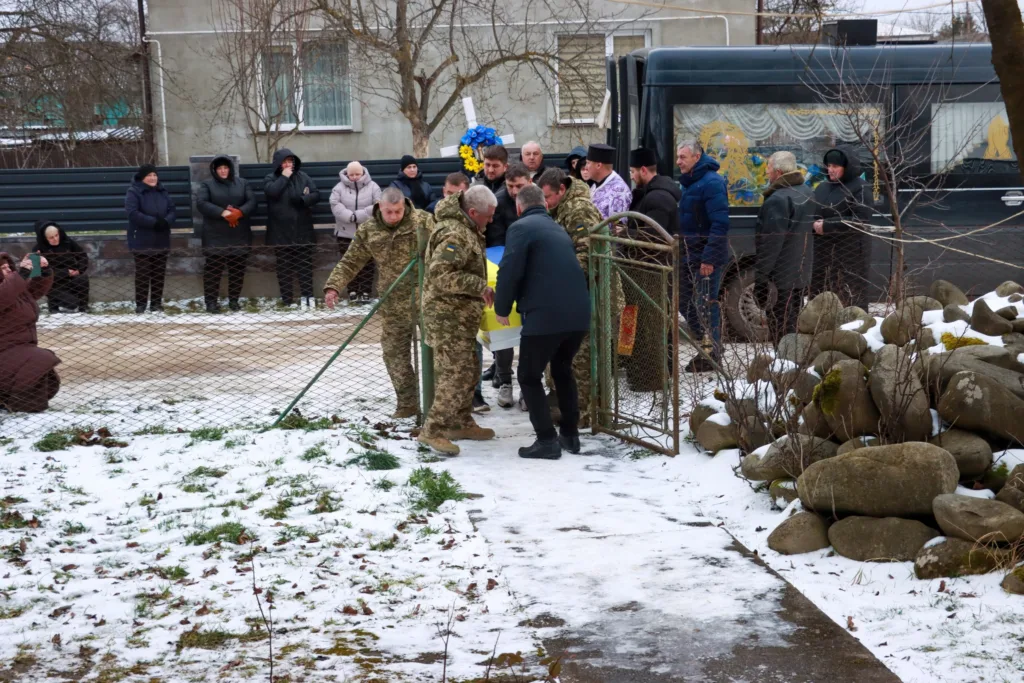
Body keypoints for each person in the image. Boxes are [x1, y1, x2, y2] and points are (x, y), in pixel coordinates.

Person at [495, 185, 591, 460]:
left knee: (527, 374)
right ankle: (570, 436)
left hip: (546, 315)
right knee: (562, 369)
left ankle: (547, 440)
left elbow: (509, 269)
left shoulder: (521, 228)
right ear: (546, 205)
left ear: (518, 207)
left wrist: (502, 307)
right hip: (578, 314)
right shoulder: (558, 228)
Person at [324, 187, 433, 419]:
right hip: (392, 303)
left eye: (398, 211)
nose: (394, 216)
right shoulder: (369, 230)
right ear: (379, 208)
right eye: (389, 212)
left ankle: (439, 407)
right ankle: (407, 404)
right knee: (394, 355)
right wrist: (334, 286)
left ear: (405, 205)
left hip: (426, 300)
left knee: (435, 353)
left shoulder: (423, 222)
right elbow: (351, 261)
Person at [418, 186, 498, 455]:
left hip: (460, 316)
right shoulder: (455, 234)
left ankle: (461, 421)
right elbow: (440, 274)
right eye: (488, 216)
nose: (491, 220)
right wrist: (479, 286)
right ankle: (433, 431)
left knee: (470, 369)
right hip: (447, 317)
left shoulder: (466, 228)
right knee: (454, 374)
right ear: (473, 212)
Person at [537, 167, 599, 422]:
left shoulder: (579, 210)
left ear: (562, 190)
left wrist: (563, 283)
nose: (545, 203)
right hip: (572, 295)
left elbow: (587, 255)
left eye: (548, 197)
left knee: (582, 357)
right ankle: (571, 407)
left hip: (588, 294)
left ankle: (585, 414)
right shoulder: (561, 209)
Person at [626, 147, 682, 391]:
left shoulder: (658, 198)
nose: (631, 176)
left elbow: (655, 238)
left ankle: (656, 375)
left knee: (654, 326)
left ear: (644, 170)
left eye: (632, 172)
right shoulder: (647, 194)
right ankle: (642, 373)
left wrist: (626, 234)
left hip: (654, 274)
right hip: (642, 273)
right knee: (638, 324)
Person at [677, 139, 730, 372]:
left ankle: (713, 352)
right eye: (678, 157)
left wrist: (708, 259)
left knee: (707, 304)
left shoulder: (712, 183)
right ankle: (705, 347)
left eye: (682, 157)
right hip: (690, 254)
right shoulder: (691, 183)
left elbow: (719, 223)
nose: (678, 162)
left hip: (705, 257)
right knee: (686, 302)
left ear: (696, 157)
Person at [754, 151, 815, 341]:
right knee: (792, 323)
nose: (767, 173)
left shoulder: (777, 200)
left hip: (780, 277)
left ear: (778, 172)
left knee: (779, 326)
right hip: (800, 272)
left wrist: (761, 279)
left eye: (769, 168)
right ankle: (791, 365)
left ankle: (783, 367)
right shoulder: (806, 193)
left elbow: (771, 244)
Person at [811, 146, 873, 309]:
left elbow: (861, 220)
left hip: (850, 255)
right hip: (823, 253)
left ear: (847, 167)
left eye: (835, 166)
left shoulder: (861, 187)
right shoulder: (822, 187)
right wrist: (813, 223)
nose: (830, 170)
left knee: (849, 299)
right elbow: (813, 211)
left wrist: (827, 226)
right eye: (828, 166)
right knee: (822, 296)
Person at [0, 252, 61, 412]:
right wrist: (21, 274)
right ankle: (19, 404)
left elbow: (32, 291)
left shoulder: (13, 289)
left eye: (8, 266)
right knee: (38, 360)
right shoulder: (6, 291)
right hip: (4, 350)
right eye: (2, 268)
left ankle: (10, 400)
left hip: (20, 347)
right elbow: (4, 295)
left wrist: (43, 271)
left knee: (46, 378)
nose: (7, 270)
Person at [196, 155, 256, 313]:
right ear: (215, 170)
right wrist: (224, 213)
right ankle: (211, 303)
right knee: (213, 272)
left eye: (225, 168)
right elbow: (201, 203)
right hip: (215, 235)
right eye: (219, 168)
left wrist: (239, 212)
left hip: (239, 234)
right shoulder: (207, 185)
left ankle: (234, 301)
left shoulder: (243, 183)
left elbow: (252, 201)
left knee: (237, 270)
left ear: (230, 168)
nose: (223, 171)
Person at [264, 148, 320, 309]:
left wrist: (303, 200)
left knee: (305, 265)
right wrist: (284, 177)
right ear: (278, 164)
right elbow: (272, 193)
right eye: (285, 161)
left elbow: (316, 194)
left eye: (291, 161)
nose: (288, 164)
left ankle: (307, 297)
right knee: (284, 267)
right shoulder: (270, 178)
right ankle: (287, 299)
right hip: (280, 231)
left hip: (302, 229)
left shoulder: (304, 177)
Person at [125, 163, 176, 314]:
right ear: (142, 178)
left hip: (161, 238)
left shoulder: (163, 191)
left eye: (155, 175)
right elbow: (132, 213)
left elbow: (172, 210)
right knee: (143, 274)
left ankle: (156, 304)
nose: (153, 178)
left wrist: (166, 221)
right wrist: (154, 223)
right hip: (142, 239)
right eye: (149, 175)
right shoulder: (133, 192)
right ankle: (140, 306)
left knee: (159, 273)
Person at [329, 161, 381, 302]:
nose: (354, 177)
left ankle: (365, 291)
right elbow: (335, 204)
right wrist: (349, 216)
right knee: (348, 263)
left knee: (367, 264)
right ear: (347, 173)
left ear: (363, 173)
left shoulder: (373, 187)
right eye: (351, 174)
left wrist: (359, 215)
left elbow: (378, 205)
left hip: (367, 233)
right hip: (345, 233)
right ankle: (352, 290)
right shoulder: (338, 188)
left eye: (357, 174)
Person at [33, 221, 89, 313]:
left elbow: (82, 255)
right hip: (53, 283)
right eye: (51, 237)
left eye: (56, 235)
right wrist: (65, 272)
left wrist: (79, 270)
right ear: (45, 238)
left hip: (71, 278)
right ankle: (53, 306)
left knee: (82, 278)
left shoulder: (68, 242)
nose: (55, 239)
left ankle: (84, 308)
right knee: (72, 304)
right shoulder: (36, 250)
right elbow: (36, 273)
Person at [587, 143, 632, 230]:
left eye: (588, 163)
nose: (586, 167)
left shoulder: (619, 191)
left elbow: (617, 229)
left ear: (598, 165)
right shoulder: (595, 185)